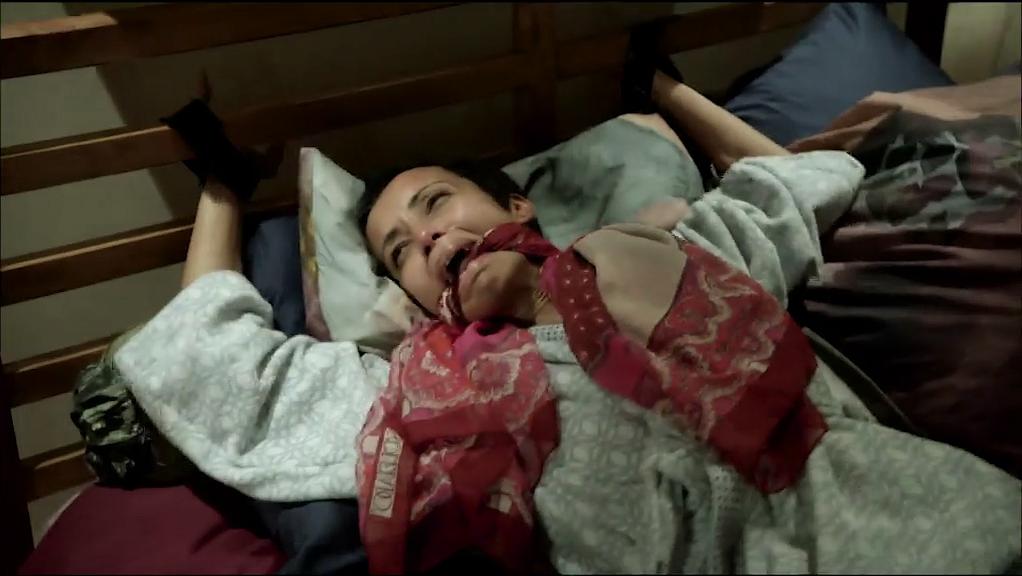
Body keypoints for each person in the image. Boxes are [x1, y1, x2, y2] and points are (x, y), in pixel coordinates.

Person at [113, 45, 1021, 576]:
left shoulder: (663, 253)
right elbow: (217, 362)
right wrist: (223, 189)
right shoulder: (411, 395)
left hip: (923, 526)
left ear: (516, 207)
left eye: (436, 204)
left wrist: (665, 94)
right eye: (399, 251)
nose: (426, 240)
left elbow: (798, 179)